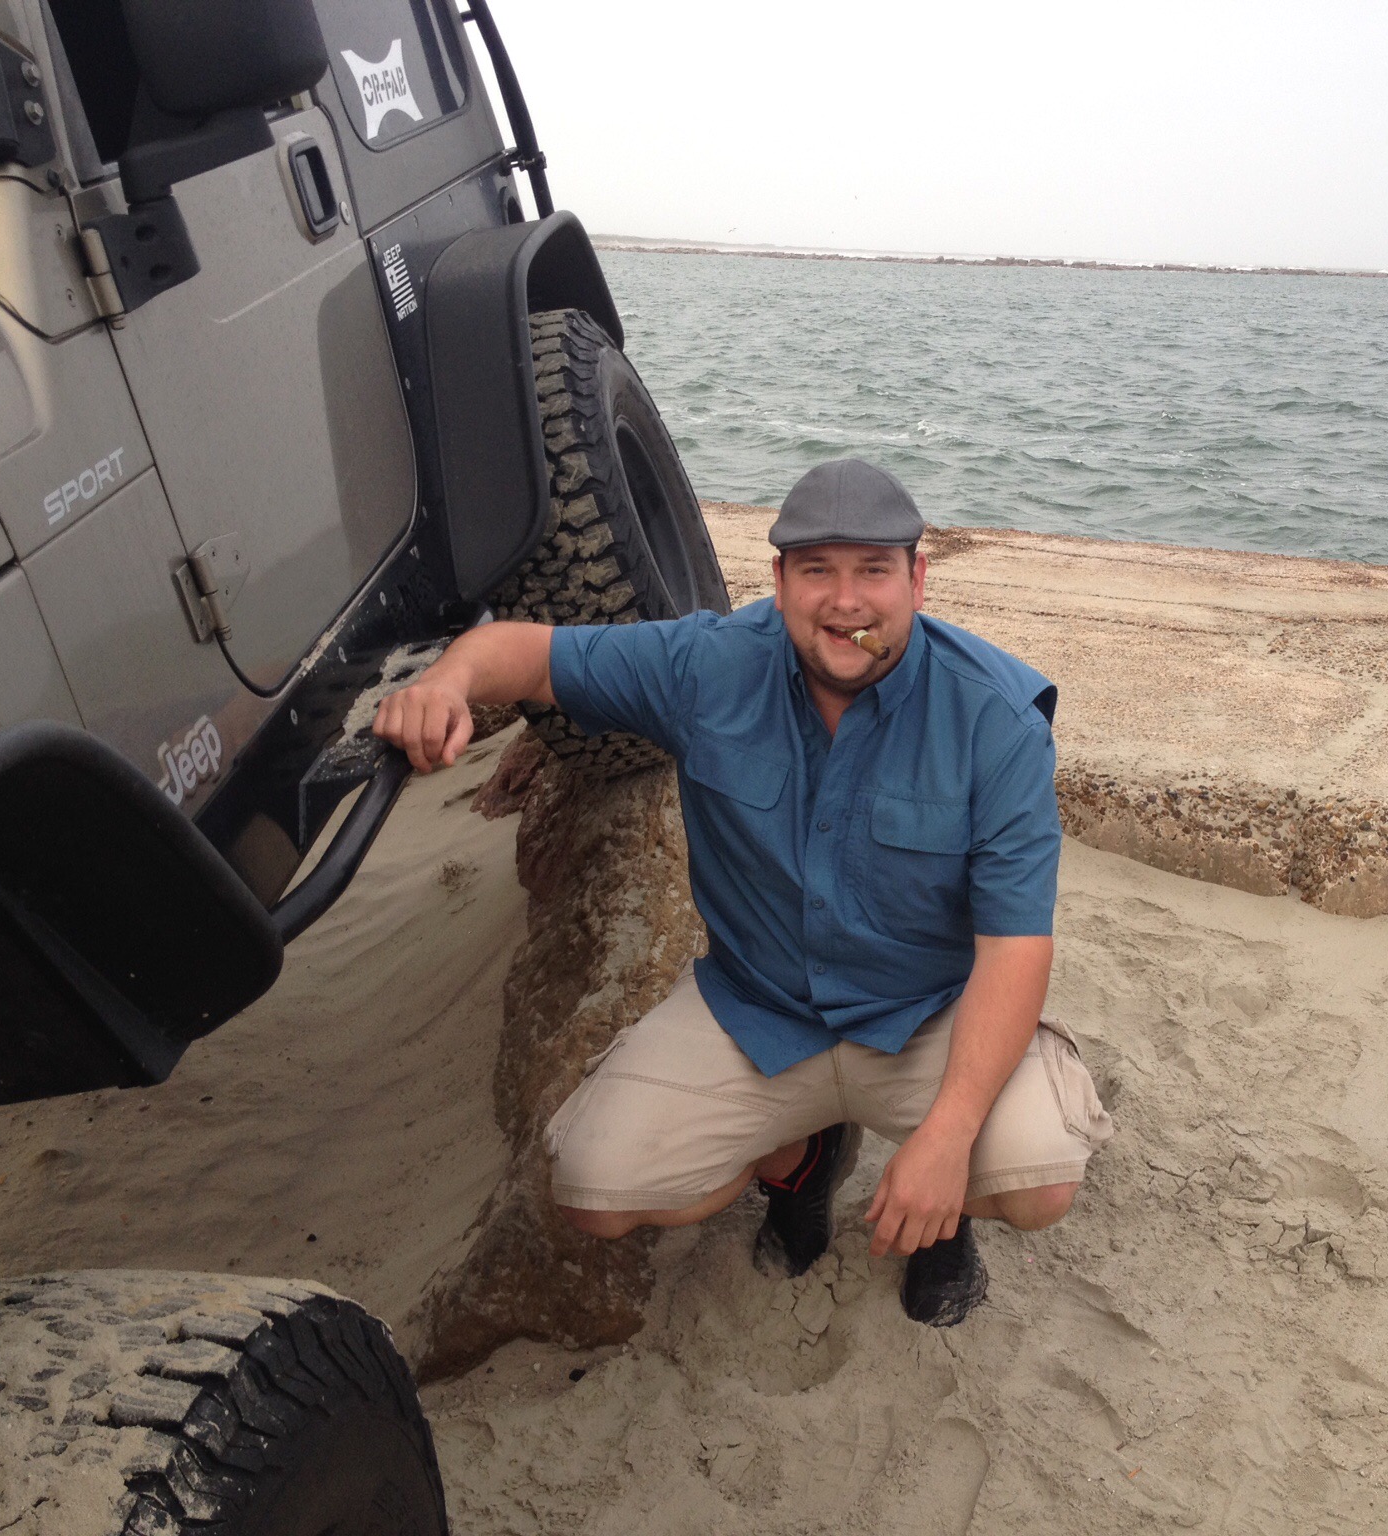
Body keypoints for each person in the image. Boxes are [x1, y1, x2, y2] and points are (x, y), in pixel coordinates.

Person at [371, 459, 1112, 1325]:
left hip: (925, 1017)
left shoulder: (995, 720)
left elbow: (1016, 947)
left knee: (1040, 1179)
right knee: (595, 1187)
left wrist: (948, 1137)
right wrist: (445, 684)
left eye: (873, 570)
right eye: (817, 570)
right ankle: (802, 1161)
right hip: (761, 1010)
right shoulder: (710, 664)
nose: (846, 601)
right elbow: (528, 656)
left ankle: (939, 1219)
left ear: (917, 580)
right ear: (780, 582)